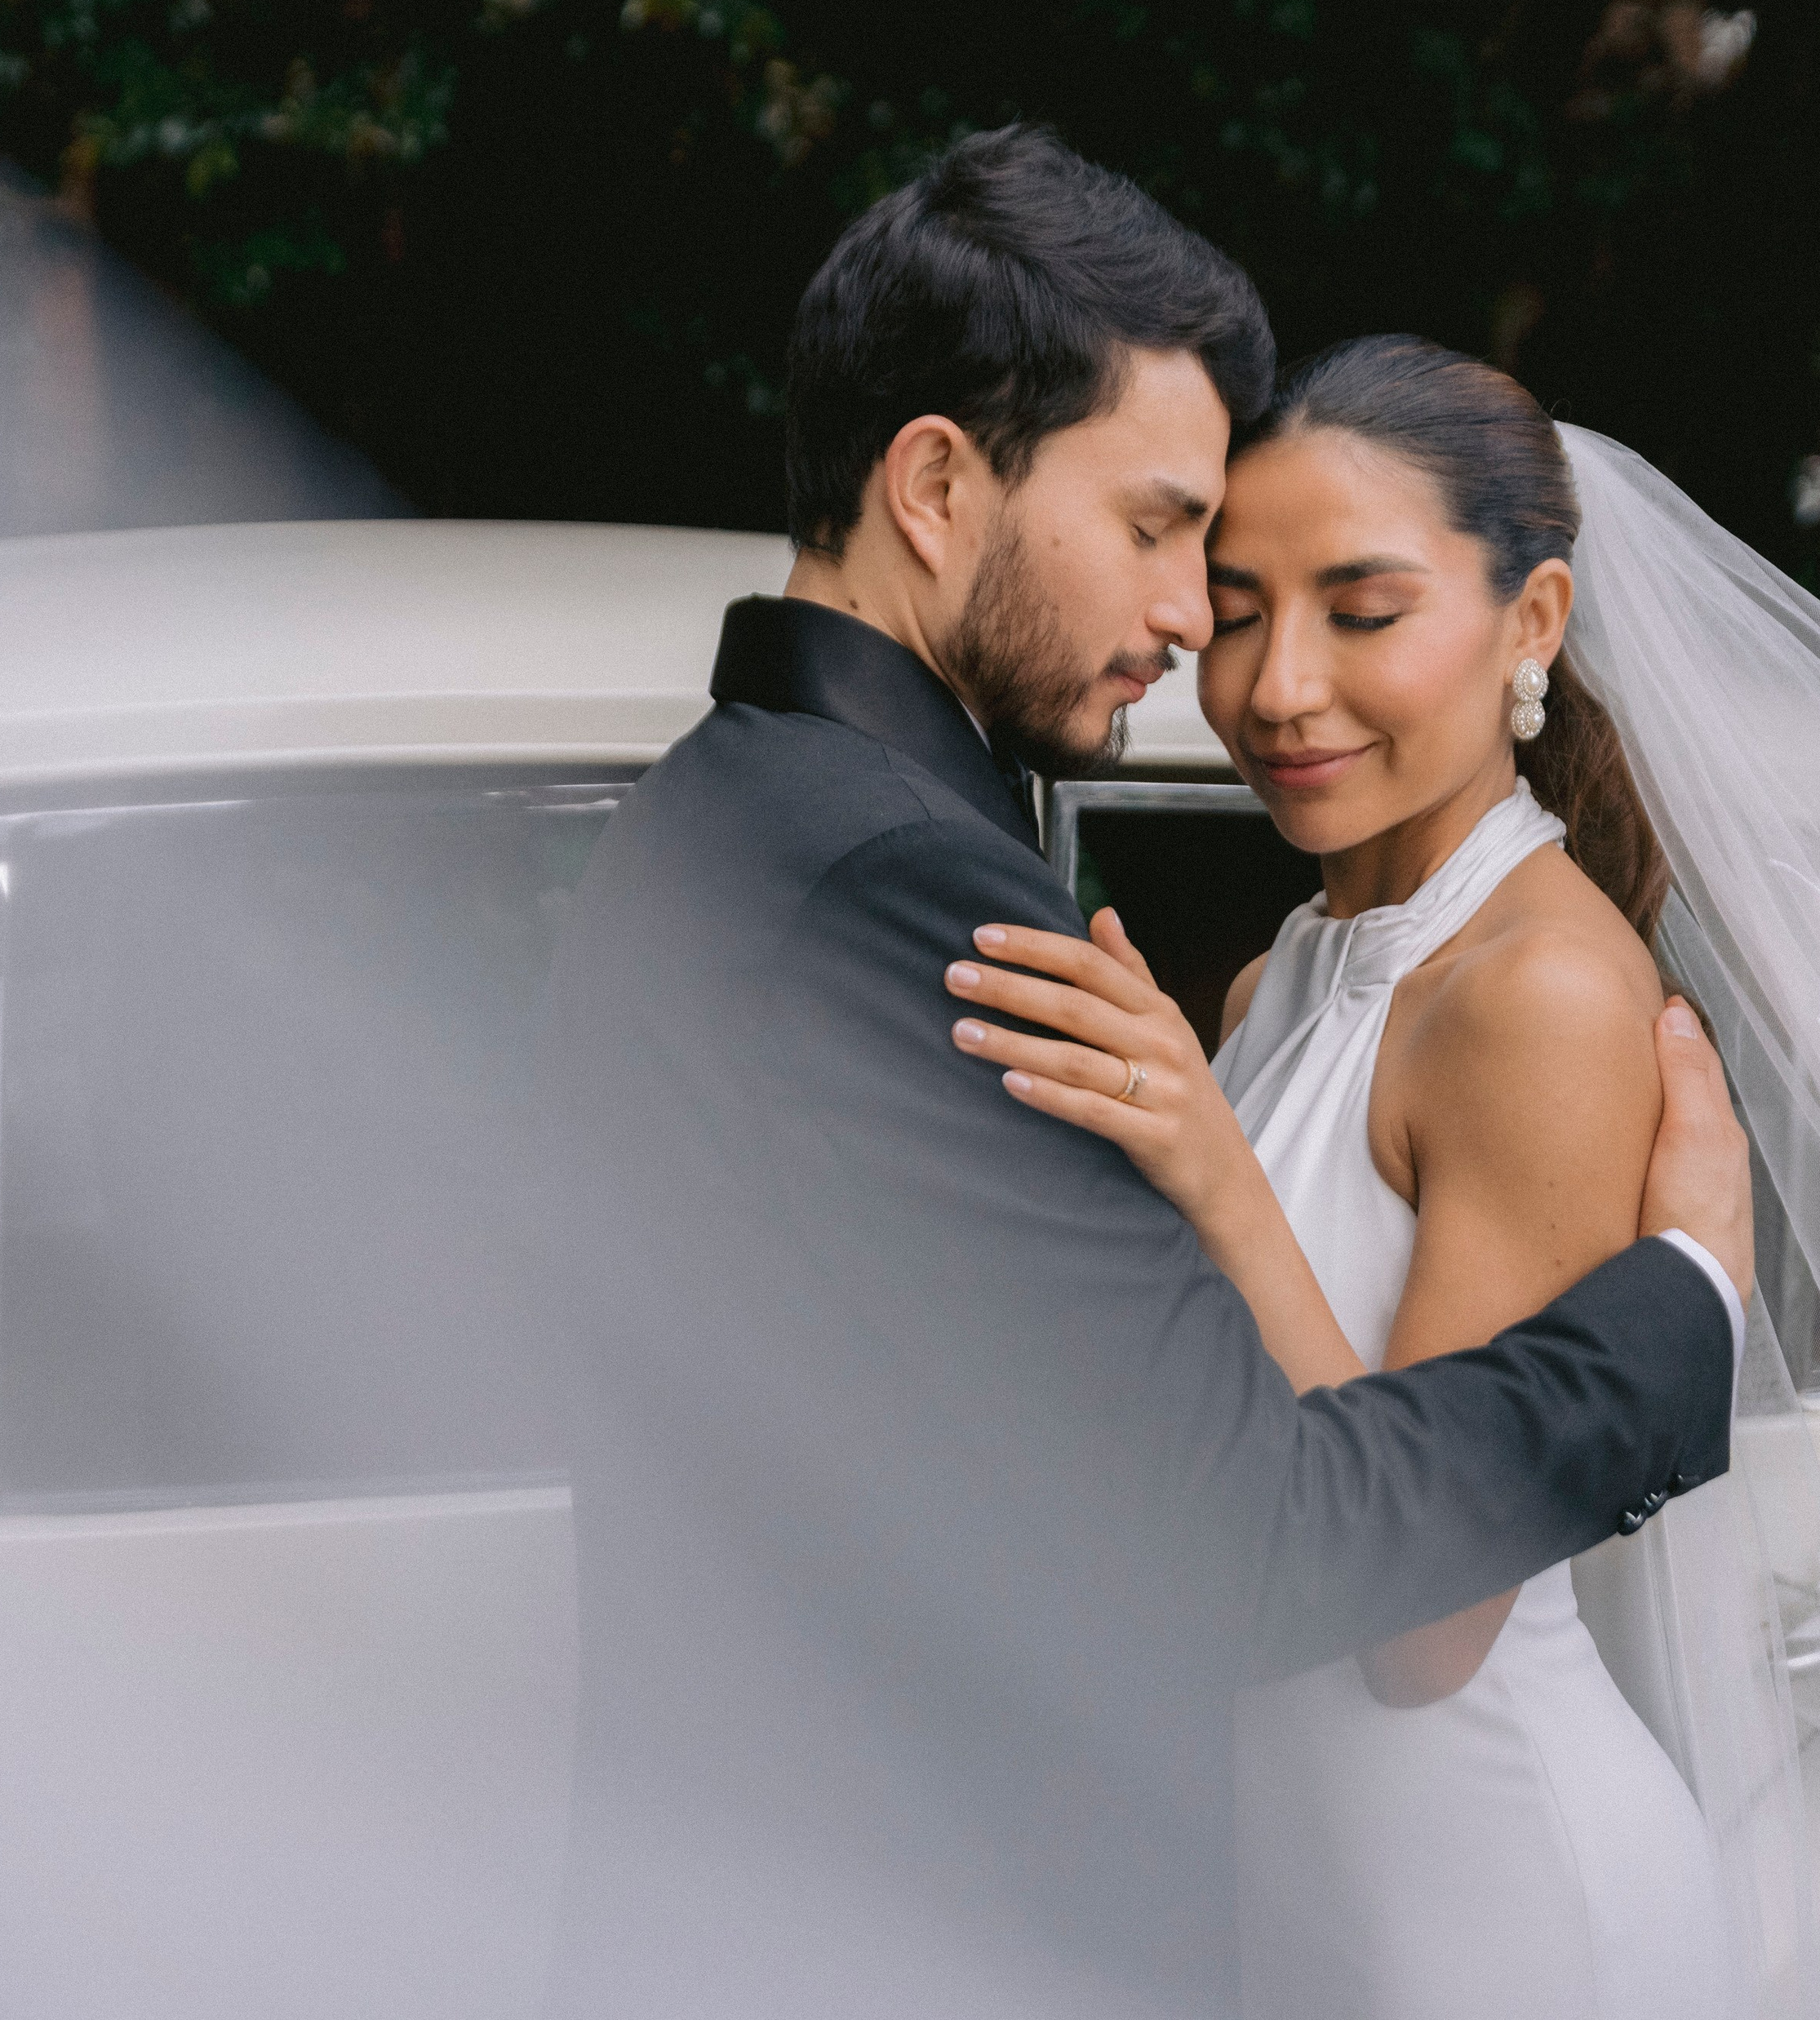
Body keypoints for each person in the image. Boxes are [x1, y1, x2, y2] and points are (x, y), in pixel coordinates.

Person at [538, 130, 1750, 2020]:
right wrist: (1677, 1318)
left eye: (1331, 597)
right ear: (937, 484)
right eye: (1163, 529)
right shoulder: (900, 883)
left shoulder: (725, 811)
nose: (1206, 634)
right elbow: (1251, 1525)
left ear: (1527, 627)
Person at [949, 335, 1745, 2018]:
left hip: (1502, 1913)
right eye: (1234, 609)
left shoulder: (1534, 991)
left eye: (1360, 610)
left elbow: (1423, 1622)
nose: (1272, 683)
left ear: (1529, 624)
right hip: (1309, 1896)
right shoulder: (1281, 974)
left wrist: (1207, 1163)